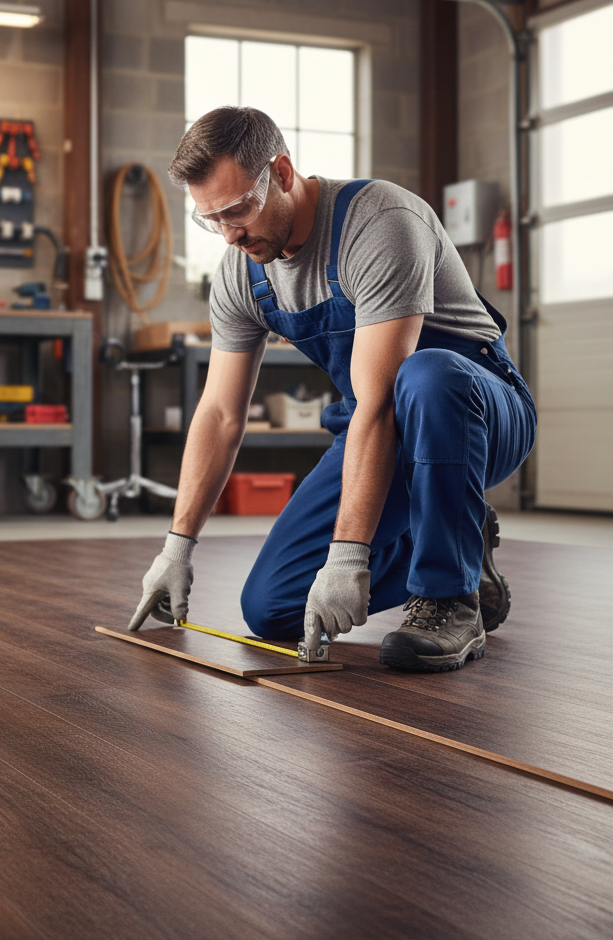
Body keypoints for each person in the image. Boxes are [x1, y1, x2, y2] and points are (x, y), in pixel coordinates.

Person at [128, 107, 536, 672]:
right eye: (211, 218)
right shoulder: (241, 272)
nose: (230, 233)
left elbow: (380, 399)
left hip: (480, 411)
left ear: (283, 173)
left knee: (426, 374)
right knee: (271, 608)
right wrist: (178, 545)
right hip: (380, 427)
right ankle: (460, 545)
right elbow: (221, 414)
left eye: (239, 208)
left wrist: (347, 559)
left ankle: (450, 597)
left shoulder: (380, 222)